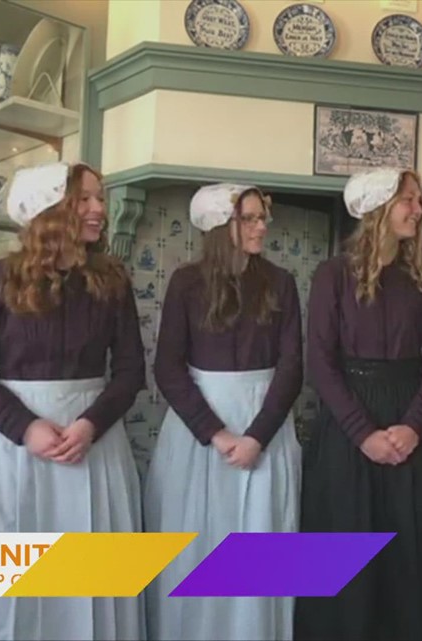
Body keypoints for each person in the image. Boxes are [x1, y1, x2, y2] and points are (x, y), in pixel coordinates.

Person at [0, 161, 147, 640]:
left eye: (99, 198)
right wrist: (26, 427)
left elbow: (130, 372)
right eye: (85, 199)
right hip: (9, 451)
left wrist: (90, 425)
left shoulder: (112, 282)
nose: (100, 209)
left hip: (94, 449)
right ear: (51, 210)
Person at [293, 167, 422, 641]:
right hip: (351, 427)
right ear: (378, 209)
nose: (419, 208)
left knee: (416, 553)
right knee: (344, 553)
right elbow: (321, 362)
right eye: (408, 199)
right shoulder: (332, 274)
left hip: (415, 423)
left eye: (419, 199)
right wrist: (363, 433)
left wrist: (413, 426)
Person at [145, 183, 303, 640]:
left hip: (265, 430)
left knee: (261, 545)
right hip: (200, 434)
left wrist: (256, 436)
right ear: (220, 225)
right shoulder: (186, 283)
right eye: (249, 218)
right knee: (195, 546)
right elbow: (167, 368)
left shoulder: (280, 282)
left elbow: (292, 368)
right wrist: (217, 433)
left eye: (261, 218)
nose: (261, 226)